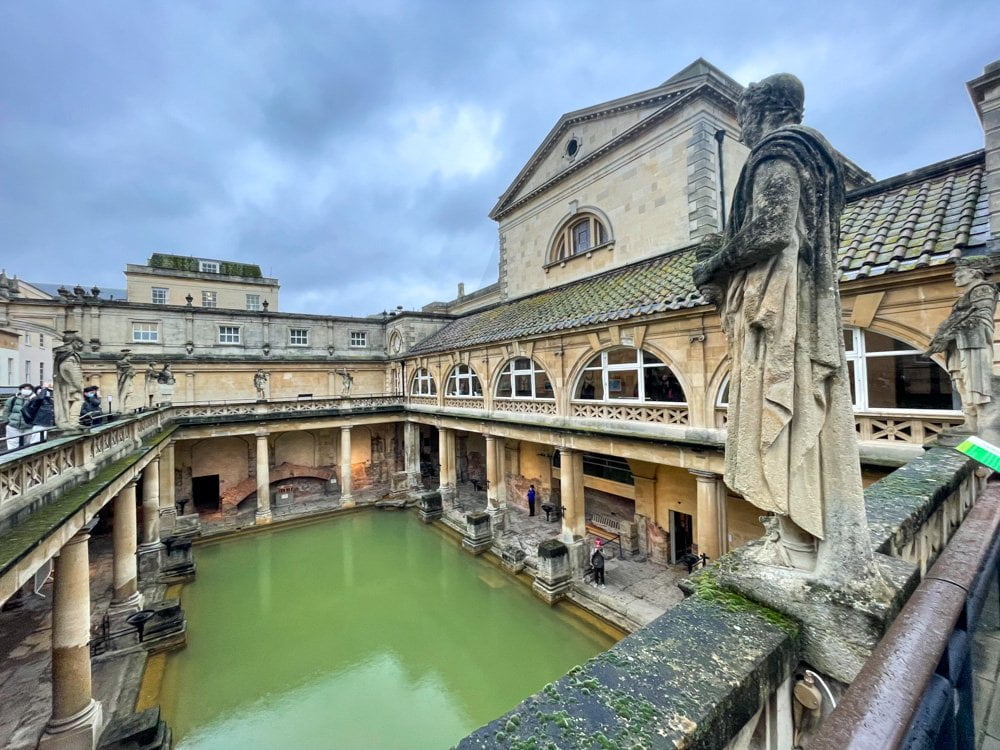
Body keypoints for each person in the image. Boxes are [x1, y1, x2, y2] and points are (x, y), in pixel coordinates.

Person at [692, 73, 871, 574]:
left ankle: (797, 544)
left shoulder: (777, 152)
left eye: (743, 113)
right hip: (806, 300)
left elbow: (770, 229)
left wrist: (714, 264)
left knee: (783, 405)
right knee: (795, 409)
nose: (741, 124)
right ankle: (798, 536)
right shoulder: (820, 159)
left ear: (763, 109)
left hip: (781, 308)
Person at [3, 384, 36, 450]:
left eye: (29, 389)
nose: (26, 390)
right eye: (24, 388)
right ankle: (12, 458)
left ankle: (27, 459)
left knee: (28, 445)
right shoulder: (13, 399)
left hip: (28, 426)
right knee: (12, 445)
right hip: (13, 426)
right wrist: (6, 422)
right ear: (20, 389)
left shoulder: (34, 400)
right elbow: (6, 411)